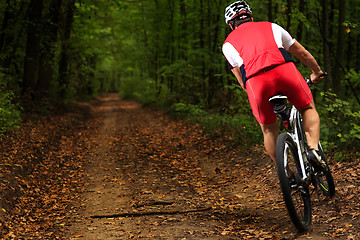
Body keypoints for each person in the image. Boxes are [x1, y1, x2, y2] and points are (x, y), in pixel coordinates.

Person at [222, 1, 326, 169]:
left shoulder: (227, 45)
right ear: (251, 17)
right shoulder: (272, 26)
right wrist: (316, 72)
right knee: (307, 108)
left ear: (231, 25)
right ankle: (313, 150)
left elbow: (241, 81)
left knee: (269, 129)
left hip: (256, 82)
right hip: (284, 70)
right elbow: (303, 53)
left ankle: (286, 173)